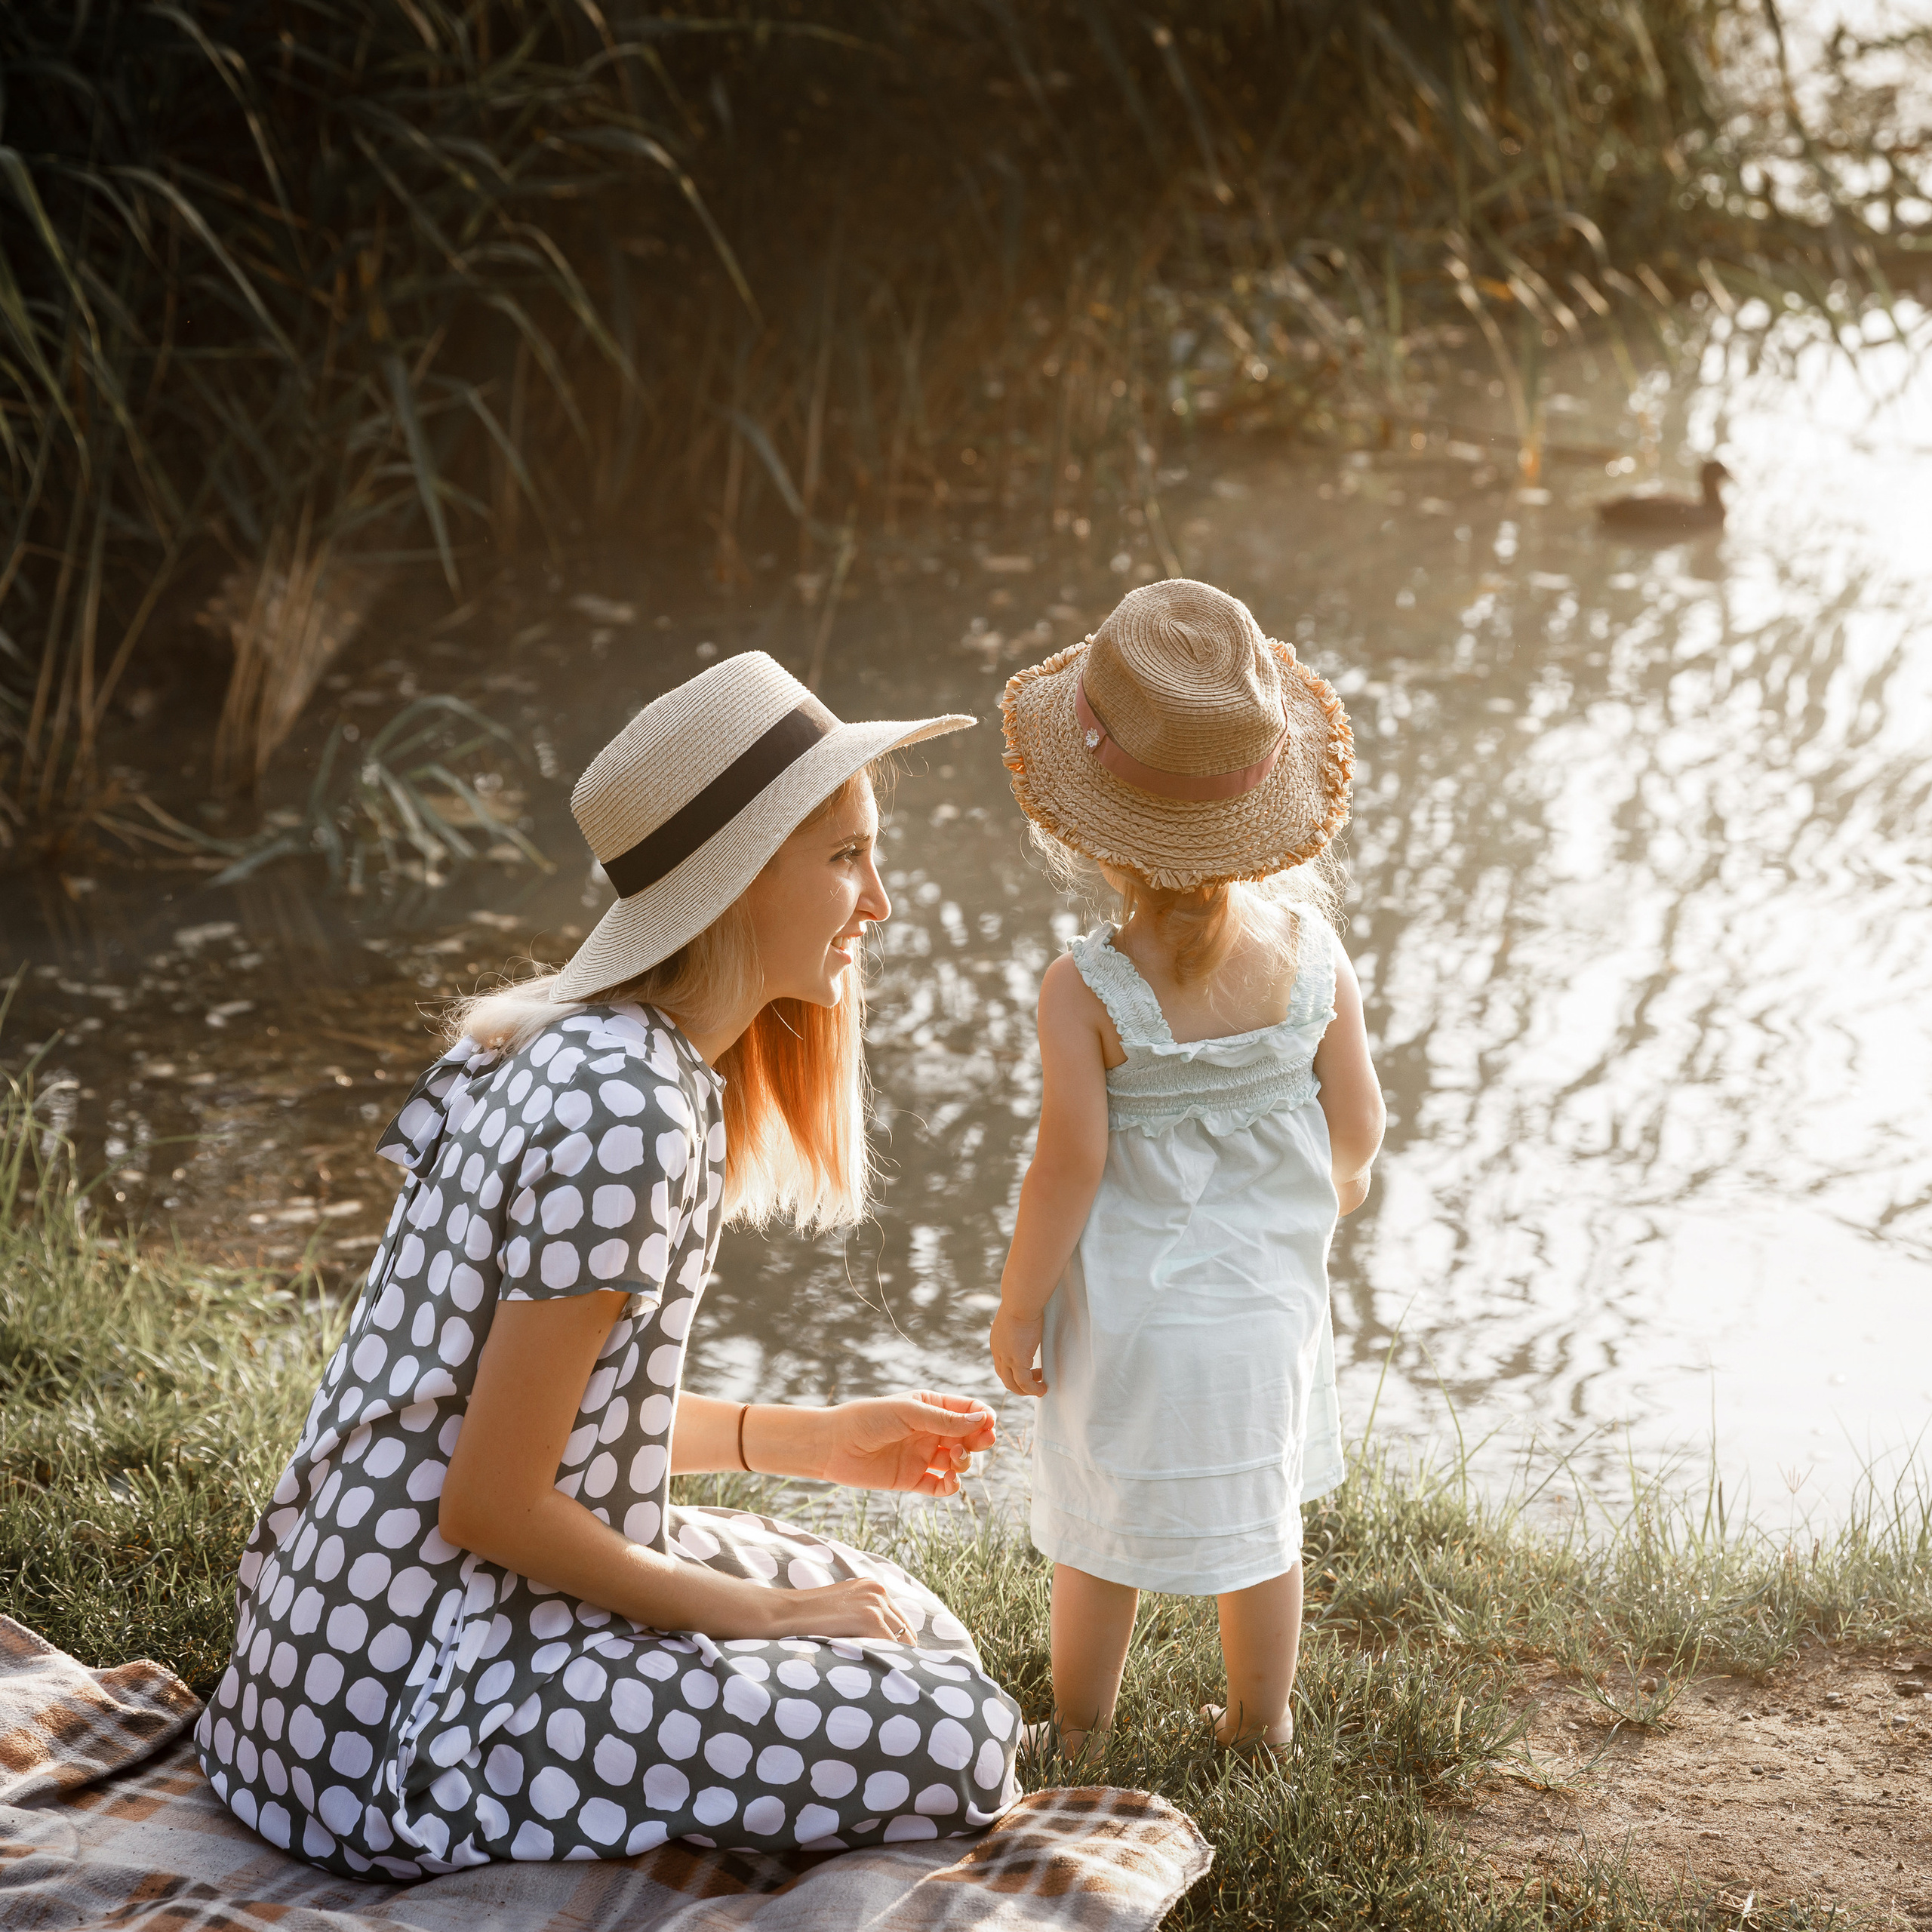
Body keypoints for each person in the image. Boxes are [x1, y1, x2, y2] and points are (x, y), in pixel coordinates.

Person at [195, 652, 1023, 1876]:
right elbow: (490, 1504)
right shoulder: (630, 1109)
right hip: (404, 1711)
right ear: (740, 880)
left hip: (346, 1651)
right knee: (968, 1739)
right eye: (846, 857)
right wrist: (773, 1614)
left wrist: (811, 1440)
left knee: (923, 1636)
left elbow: (532, 1424)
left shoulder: (603, 1051)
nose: (880, 903)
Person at [989, 578, 1383, 1757]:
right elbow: (1358, 1123)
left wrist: (1019, 1304)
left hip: (1132, 1316)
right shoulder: (1315, 961)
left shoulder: (1086, 988)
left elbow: (1069, 1164)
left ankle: (1082, 1729)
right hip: (1269, 1309)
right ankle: (1263, 1723)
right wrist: (1328, 1202)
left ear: (1091, 830)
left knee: (1098, 1531)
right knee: (1263, 1525)